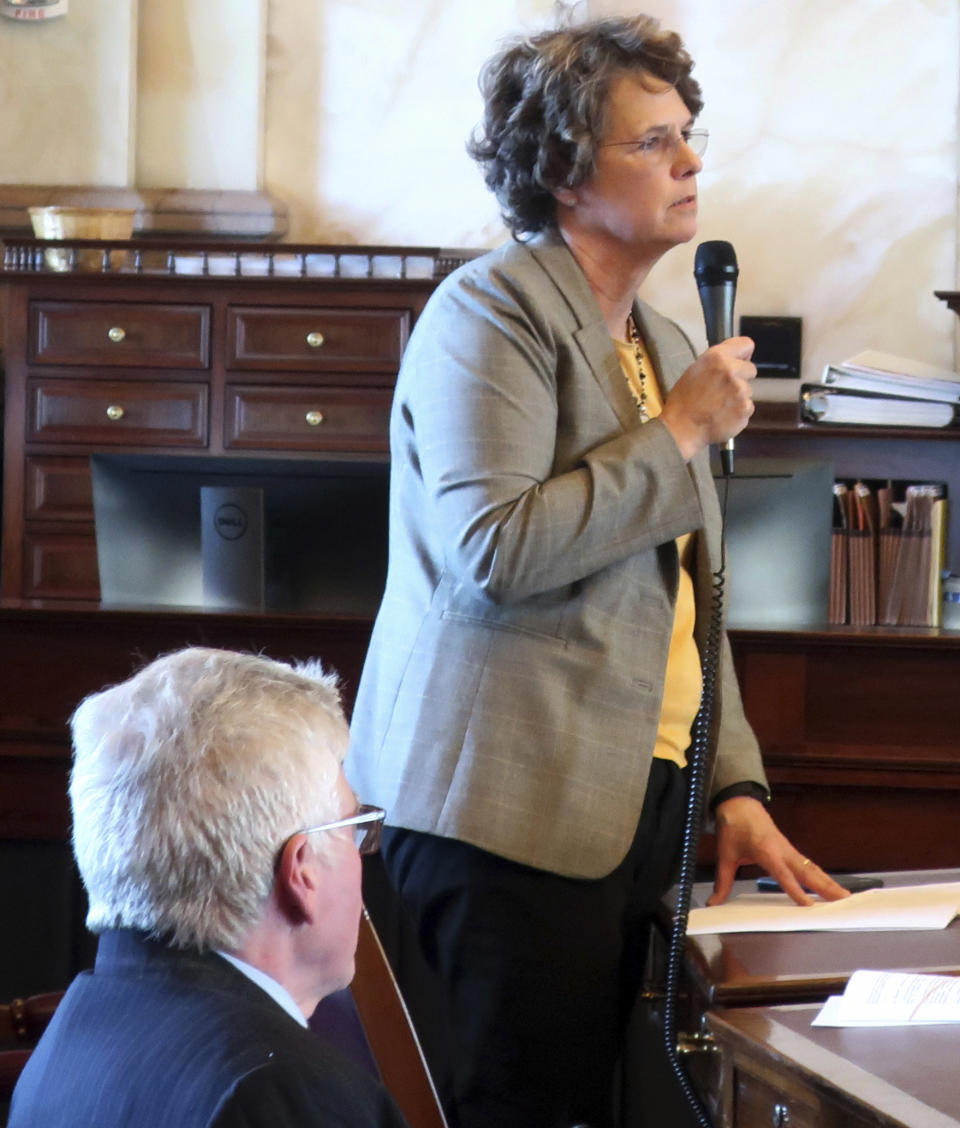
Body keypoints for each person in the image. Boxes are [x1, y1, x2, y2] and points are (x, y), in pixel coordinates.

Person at [347, 14, 847, 1128]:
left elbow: (693, 608)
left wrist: (736, 789)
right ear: (567, 174)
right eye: (655, 142)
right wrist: (672, 438)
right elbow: (495, 552)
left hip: (638, 802)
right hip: (504, 816)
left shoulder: (665, 348)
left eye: (691, 135)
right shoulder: (488, 315)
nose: (692, 162)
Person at [8, 647, 407, 1128]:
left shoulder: (68, 1041)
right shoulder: (283, 1094)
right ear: (303, 873)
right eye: (351, 827)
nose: (361, 852)